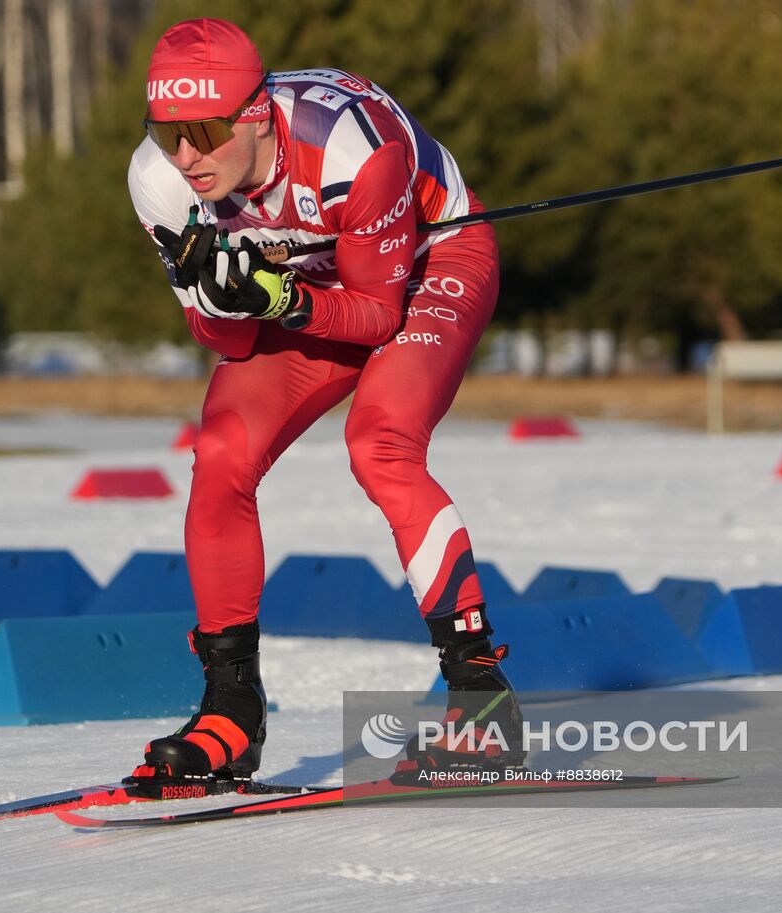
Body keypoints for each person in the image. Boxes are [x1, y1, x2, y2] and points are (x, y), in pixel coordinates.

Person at [125, 18, 523, 784]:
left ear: (255, 113)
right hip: (314, 287)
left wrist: (276, 294)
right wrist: (224, 295)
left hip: (430, 262)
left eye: (204, 132)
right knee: (221, 453)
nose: (185, 156)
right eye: (167, 131)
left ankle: (481, 696)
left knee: (380, 442)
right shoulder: (159, 180)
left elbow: (376, 313)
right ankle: (231, 709)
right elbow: (227, 341)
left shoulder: (353, 147)